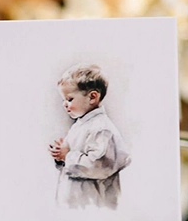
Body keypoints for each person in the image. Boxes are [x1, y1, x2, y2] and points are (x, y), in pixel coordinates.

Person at [49, 64, 131, 209]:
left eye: (69, 99)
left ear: (92, 97)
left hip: (93, 201)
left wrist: (67, 156)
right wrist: (60, 155)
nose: (64, 105)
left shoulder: (102, 128)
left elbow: (99, 167)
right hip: (75, 199)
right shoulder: (80, 125)